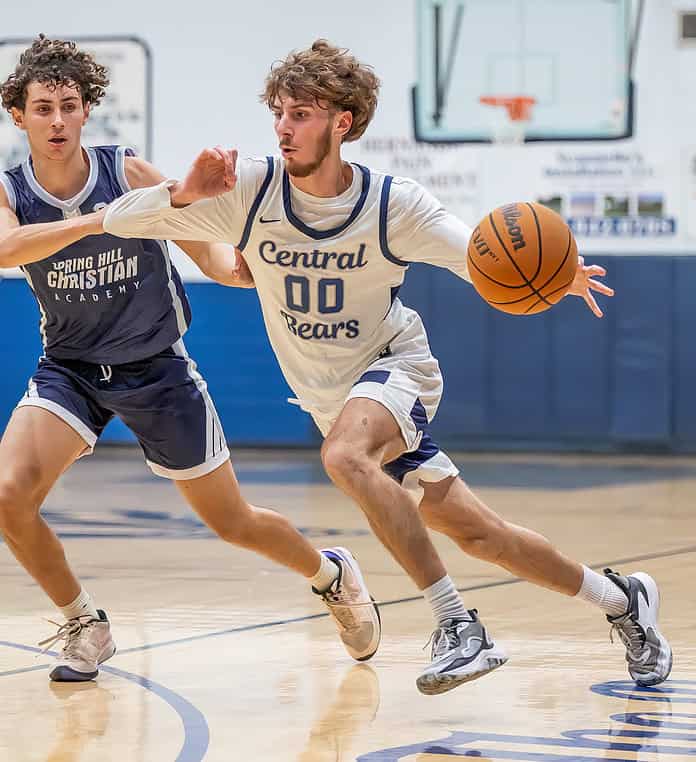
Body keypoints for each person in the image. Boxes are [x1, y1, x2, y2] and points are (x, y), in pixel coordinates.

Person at [103, 39, 672, 694]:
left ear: (343, 121)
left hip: (394, 366)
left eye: (302, 114)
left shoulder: (393, 205)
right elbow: (119, 222)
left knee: (345, 458)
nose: (285, 128)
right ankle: (623, 600)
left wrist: (552, 277)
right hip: (327, 395)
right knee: (483, 536)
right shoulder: (251, 190)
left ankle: (459, 625)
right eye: (280, 114)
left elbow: (480, 258)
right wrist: (181, 196)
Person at [0, 35, 381, 683]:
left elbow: (219, 262)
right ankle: (87, 625)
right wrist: (103, 223)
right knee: (8, 496)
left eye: (69, 105)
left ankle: (331, 574)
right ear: (19, 116)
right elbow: (8, 250)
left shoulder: (129, 174)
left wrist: (280, 263)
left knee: (234, 522)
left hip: (157, 369)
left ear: (87, 110)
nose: (57, 120)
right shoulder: (11, 189)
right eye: (42, 108)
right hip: (72, 371)